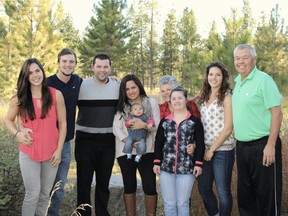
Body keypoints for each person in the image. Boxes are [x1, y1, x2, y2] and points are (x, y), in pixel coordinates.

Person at [5, 58, 66, 216]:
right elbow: (8, 120)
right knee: (32, 194)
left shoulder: (55, 95)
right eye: (30, 72)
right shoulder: (19, 99)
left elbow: (63, 123)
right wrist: (18, 133)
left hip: (51, 153)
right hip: (29, 151)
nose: (35, 75)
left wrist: (59, 151)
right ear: (25, 76)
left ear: (42, 71)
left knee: (45, 194)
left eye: (37, 70)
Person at [232, 44, 282, 216]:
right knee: (246, 196)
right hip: (242, 146)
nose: (240, 61)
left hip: (263, 145)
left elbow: (277, 114)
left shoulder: (264, 80)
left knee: (266, 196)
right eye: (237, 58)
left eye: (245, 57)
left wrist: (270, 145)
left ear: (254, 59)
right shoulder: (238, 83)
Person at [75, 53, 119, 216]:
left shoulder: (117, 86)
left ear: (110, 68)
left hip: (107, 140)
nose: (102, 70)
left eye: (105, 66)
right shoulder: (81, 85)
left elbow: (124, 111)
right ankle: (83, 214)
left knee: (103, 182)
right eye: (98, 66)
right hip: (84, 141)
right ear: (92, 67)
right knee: (83, 183)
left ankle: (102, 213)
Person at [153, 86, 205, 216]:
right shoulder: (165, 122)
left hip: (187, 169)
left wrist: (198, 163)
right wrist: (157, 162)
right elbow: (158, 143)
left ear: (186, 100)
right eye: (173, 98)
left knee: (182, 203)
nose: (177, 101)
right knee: (169, 204)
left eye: (180, 98)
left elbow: (200, 143)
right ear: (170, 100)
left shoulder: (194, 122)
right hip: (166, 169)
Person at [113, 74, 160, 216]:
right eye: (127, 89)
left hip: (147, 150)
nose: (131, 91)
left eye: (133, 87)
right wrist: (128, 141)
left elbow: (156, 125)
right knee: (129, 186)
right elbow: (116, 128)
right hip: (125, 151)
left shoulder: (151, 103)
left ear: (139, 86)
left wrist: (145, 125)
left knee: (150, 186)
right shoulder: (121, 106)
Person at [47, 48, 83, 216]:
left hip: (66, 143)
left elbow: (97, 83)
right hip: (46, 142)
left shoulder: (78, 82)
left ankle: (53, 214)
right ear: (58, 63)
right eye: (65, 61)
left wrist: (112, 80)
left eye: (71, 62)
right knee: (44, 186)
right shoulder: (47, 83)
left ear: (75, 64)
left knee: (59, 187)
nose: (68, 64)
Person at [197, 62, 235, 216]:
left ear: (223, 77)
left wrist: (212, 150)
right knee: (204, 188)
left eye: (218, 74)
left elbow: (227, 128)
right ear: (207, 77)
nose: (214, 77)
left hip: (223, 150)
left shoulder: (226, 97)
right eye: (211, 74)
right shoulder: (204, 96)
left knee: (223, 191)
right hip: (205, 149)